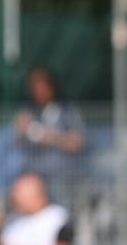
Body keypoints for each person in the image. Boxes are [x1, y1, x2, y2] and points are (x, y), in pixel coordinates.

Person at [14, 67, 86, 209]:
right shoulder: (28, 111)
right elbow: (17, 142)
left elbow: (79, 143)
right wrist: (21, 129)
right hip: (35, 178)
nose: (40, 92)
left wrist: (50, 137)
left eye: (43, 87)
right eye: (35, 88)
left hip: (61, 178)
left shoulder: (67, 111)